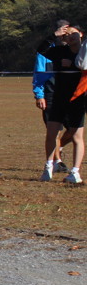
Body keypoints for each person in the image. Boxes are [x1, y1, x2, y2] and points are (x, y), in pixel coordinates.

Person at [37, 24, 85, 183]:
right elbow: (41, 50)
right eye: (67, 35)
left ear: (81, 34)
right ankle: (48, 167)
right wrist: (54, 35)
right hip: (59, 98)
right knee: (51, 134)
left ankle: (75, 172)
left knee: (77, 136)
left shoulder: (84, 52)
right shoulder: (60, 51)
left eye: (74, 33)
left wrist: (72, 65)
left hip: (78, 99)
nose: (70, 36)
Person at [34, 19, 70, 172]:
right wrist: (39, 95)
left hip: (69, 95)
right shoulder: (47, 52)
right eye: (63, 32)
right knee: (54, 130)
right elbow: (39, 74)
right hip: (51, 94)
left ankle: (58, 147)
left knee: (73, 129)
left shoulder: (72, 50)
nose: (66, 36)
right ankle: (57, 162)